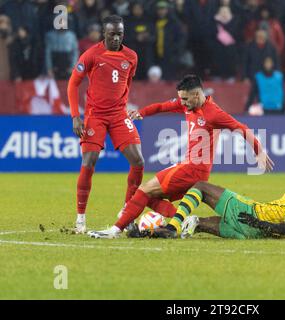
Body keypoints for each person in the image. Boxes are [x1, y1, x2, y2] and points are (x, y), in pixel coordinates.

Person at [88, 74, 274, 239]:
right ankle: (182, 219)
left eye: (185, 99)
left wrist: (259, 152)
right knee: (148, 197)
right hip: (187, 166)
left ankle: (115, 230)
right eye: (180, 99)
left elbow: (241, 128)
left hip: (193, 169)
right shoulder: (187, 105)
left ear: (196, 95)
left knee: (144, 190)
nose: (182, 102)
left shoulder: (214, 113)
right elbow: (162, 106)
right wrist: (141, 112)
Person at [130, 159, 285, 240]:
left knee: (200, 186)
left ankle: (171, 228)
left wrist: (255, 219)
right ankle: (151, 232)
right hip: (257, 235)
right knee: (198, 223)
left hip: (254, 215)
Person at [67, 15, 147, 234]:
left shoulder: (131, 56)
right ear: (104, 34)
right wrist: (76, 116)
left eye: (119, 34)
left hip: (119, 115)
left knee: (138, 161)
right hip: (95, 115)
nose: (116, 38)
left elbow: (126, 84)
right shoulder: (92, 54)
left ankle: (126, 212)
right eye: (111, 34)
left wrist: (121, 106)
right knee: (89, 160)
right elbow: (73, 84)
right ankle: (80, 219)